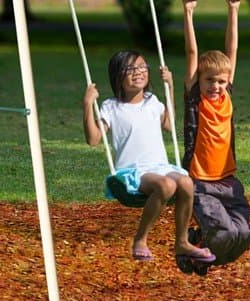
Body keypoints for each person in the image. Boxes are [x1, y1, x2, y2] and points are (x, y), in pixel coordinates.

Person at [83, 49, 216, 268]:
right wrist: (87, 104)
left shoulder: (152, 101)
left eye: (142, 67)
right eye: (131, 69)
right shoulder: (111, 107)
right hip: (133, 172)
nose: (138, 72)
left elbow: (169, 125)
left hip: (160, 166)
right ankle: (140, 239)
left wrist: (170, 86)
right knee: (165, 185)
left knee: (185, 182)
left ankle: (181, 242)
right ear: (117, 76)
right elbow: (93, 139)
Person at [179, 0, 250, 275]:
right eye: (209, 80)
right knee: (224, 233)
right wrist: (189, 12)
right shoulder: (194, 100)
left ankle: (200, 249)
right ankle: (193, 251)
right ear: (199, 80)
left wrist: (233, 10)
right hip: (199, 180)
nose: (216, 86)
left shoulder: (227, 96)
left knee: (244, 232)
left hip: (228, 178)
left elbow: (232, 50)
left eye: (221, 81)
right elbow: (191, 53)